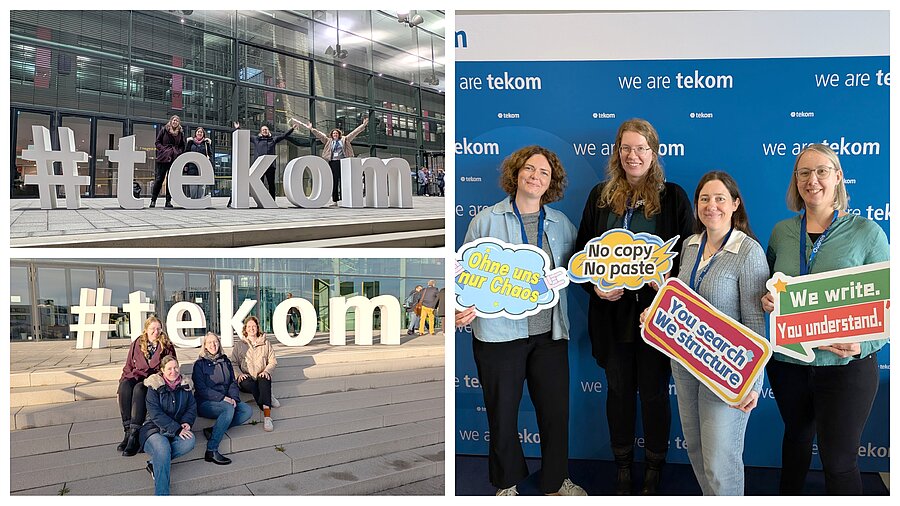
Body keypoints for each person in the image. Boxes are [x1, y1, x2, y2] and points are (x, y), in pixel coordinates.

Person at [574, 118, 694, 495]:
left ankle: (655, 465)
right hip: (612, 316)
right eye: (626, 148)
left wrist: (667, 290)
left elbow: (690, 255)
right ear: (617, 152)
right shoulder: (599, 195)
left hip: (657, 316)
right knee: (618, 392)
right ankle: (623, 466)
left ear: (653, 153)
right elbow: (581, 253)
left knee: (656, 393)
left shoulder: (673, 196)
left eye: (641, 148)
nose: (633, 155)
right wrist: (595, 287)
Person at [761, 144, 888, 495]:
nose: (812, 180)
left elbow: (890, 305)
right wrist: (768, 299)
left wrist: (865, 342)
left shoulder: (867, 233)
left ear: (838, 177)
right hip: (790, 364)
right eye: (804, 172)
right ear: (795, 180)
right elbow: (770, 283)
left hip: (846, 366)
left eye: (821, 171)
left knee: (839, 462)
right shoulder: (782, 232)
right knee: (796, 444)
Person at [463, 145, 585, 496]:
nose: (536, 177)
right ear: (516, 173)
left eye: (544, 173)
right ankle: (507, 484)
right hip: (499, 336)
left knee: (554, 413)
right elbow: (466, 277)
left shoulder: (562, 223)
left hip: (549, 334)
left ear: (552, 182)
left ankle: (555, 482)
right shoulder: (485, 220)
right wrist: (459, 307)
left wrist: (607, 284)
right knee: (502, 414)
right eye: (530, 169)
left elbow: (581, 270)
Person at [642, 171, 768, 495]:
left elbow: (755, 323)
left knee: (719, 461)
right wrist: (655, 314)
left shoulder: (748, 252)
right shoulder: (691, 245)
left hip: (727, 373)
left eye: (720, 198)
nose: (712, 206)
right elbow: (681, 303)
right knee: (696, 452)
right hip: (685, 367)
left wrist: (753, 384)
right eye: (705, 199)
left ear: (735, 204)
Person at [117, 316, 177, 456]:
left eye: (158, 329)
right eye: (152, 329)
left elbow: (171, 365)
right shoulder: (138, 343)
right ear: (146, 330)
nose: (155, 332)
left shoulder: (166, 345)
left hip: (154, 379)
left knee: (139, 389)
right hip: (137, 374)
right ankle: (127, 432)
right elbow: (128, 366)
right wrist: (121, 382)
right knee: (125, 386)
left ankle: (134, 435)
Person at [192, 332, 252, 465]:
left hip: (227, 400)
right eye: (210, 343)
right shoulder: (199, 364)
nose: (213, 345)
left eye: (215, 342)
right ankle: (211, 450)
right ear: (205, 346)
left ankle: (213, 430)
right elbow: (201, 389)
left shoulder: (225, 361)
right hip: (206, 403)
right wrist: (223, 398)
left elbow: (232, 382)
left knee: (247, 410)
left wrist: (235, 398)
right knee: (228, 409)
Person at [139, 355, 196, 495]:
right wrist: (176, 429)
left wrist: (186, 422)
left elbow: (192, 407)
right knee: (163, 448)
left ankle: (155, 463)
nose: (173, 371)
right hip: (153, 429)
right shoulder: (154, 386)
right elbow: (155, 413)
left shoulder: (185, 385)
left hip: (176, 428)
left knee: (190, 441)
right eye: (169, 368)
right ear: (162, 370)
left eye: (176, 367)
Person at [298, 116, 369, 204]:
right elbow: (320, 135)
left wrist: (363, 125)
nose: (335, 135)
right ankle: (335, 200)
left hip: (343, 162)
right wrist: (311, 129)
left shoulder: (345, 139)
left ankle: (345, 199)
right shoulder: (328, 141)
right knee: (334, 180)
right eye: (333, 133)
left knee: (344, 180)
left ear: (339, 134)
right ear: (331, 135)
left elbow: (354, 133)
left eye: (336, 133)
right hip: (333, 162)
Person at [232, 316, 279, 432]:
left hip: (260, 375)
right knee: (251, 384)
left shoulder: (266, 343)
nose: (251, 328)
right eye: (249, 326)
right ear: (245, 329)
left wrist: (266, 371)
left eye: (254, 326)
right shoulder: (239, 344)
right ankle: (267, 397)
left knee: (264, 380)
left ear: (257, 328)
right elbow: (233, 362)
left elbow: (273, 361)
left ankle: (267, 417)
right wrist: (238, 375)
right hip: (246, 378)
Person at [233, 119, 298, 200]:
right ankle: (261, 200)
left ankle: (272, 200)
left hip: (270, 166)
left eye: (266, 129)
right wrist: (238, 128)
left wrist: (292, 129)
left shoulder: (273, 139)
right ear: (260, 132)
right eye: (263, 130)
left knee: (271, 184)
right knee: (260, 183)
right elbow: (245, 136)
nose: (265, 131)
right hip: (259, 166)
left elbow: (284, 135)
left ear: (268, 131)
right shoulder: (256, 139)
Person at [151, 115, 186, 208]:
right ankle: (153, 200)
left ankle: (168, 201)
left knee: (170, 181)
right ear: (171, 121)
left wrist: (178, 152)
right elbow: (157, 142)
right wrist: (163, 150)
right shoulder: (164, 130)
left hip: (174, 158)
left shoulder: (180, 133)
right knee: (159, 179)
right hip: (163, 158)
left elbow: (183, 145)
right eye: (174, 120)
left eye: (177, 121)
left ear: (179, 123)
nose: (175, 122)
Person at [184, 126, 213, 200]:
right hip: (192, 168)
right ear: (195, 133)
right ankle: (194, 202)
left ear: (203, 134)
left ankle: (200, 201)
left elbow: (210, 155)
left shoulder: (206, 143)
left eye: (201, 132)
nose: (200, 133)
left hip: (203, 168)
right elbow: (186, 155)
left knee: (201, 186)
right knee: (193, 186)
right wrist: (186, 166)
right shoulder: (190, 142)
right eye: (198, 132)